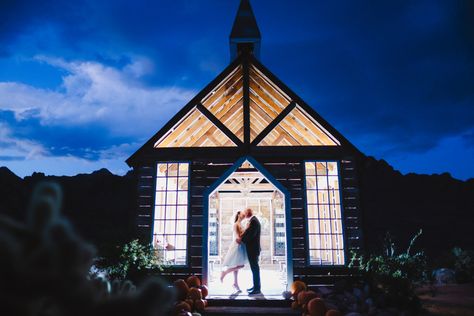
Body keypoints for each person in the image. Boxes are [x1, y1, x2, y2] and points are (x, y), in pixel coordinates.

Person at [220, 210, 247, 292]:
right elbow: (238, 237)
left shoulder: (241, 224)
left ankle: (235, 283)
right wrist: (246, 231)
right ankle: (225, 273)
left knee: (236, 266)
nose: (244, 215)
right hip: (238, 245)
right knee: (241, 265)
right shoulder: (236, 224)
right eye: (242, 214)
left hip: (241, 245)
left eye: (244, 215)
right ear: (238, 214)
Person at [236, 208, 261, 295]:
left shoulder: (253, 221)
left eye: (245, 213)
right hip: (253, 248)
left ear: (248, 213)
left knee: (255, 268)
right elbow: (249, 233)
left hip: (253, 249)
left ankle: (257, 289)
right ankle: (255, 286)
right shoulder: (253, 220)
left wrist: (242, 241)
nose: (244, 215)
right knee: (254, 268)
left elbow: (251, 235)